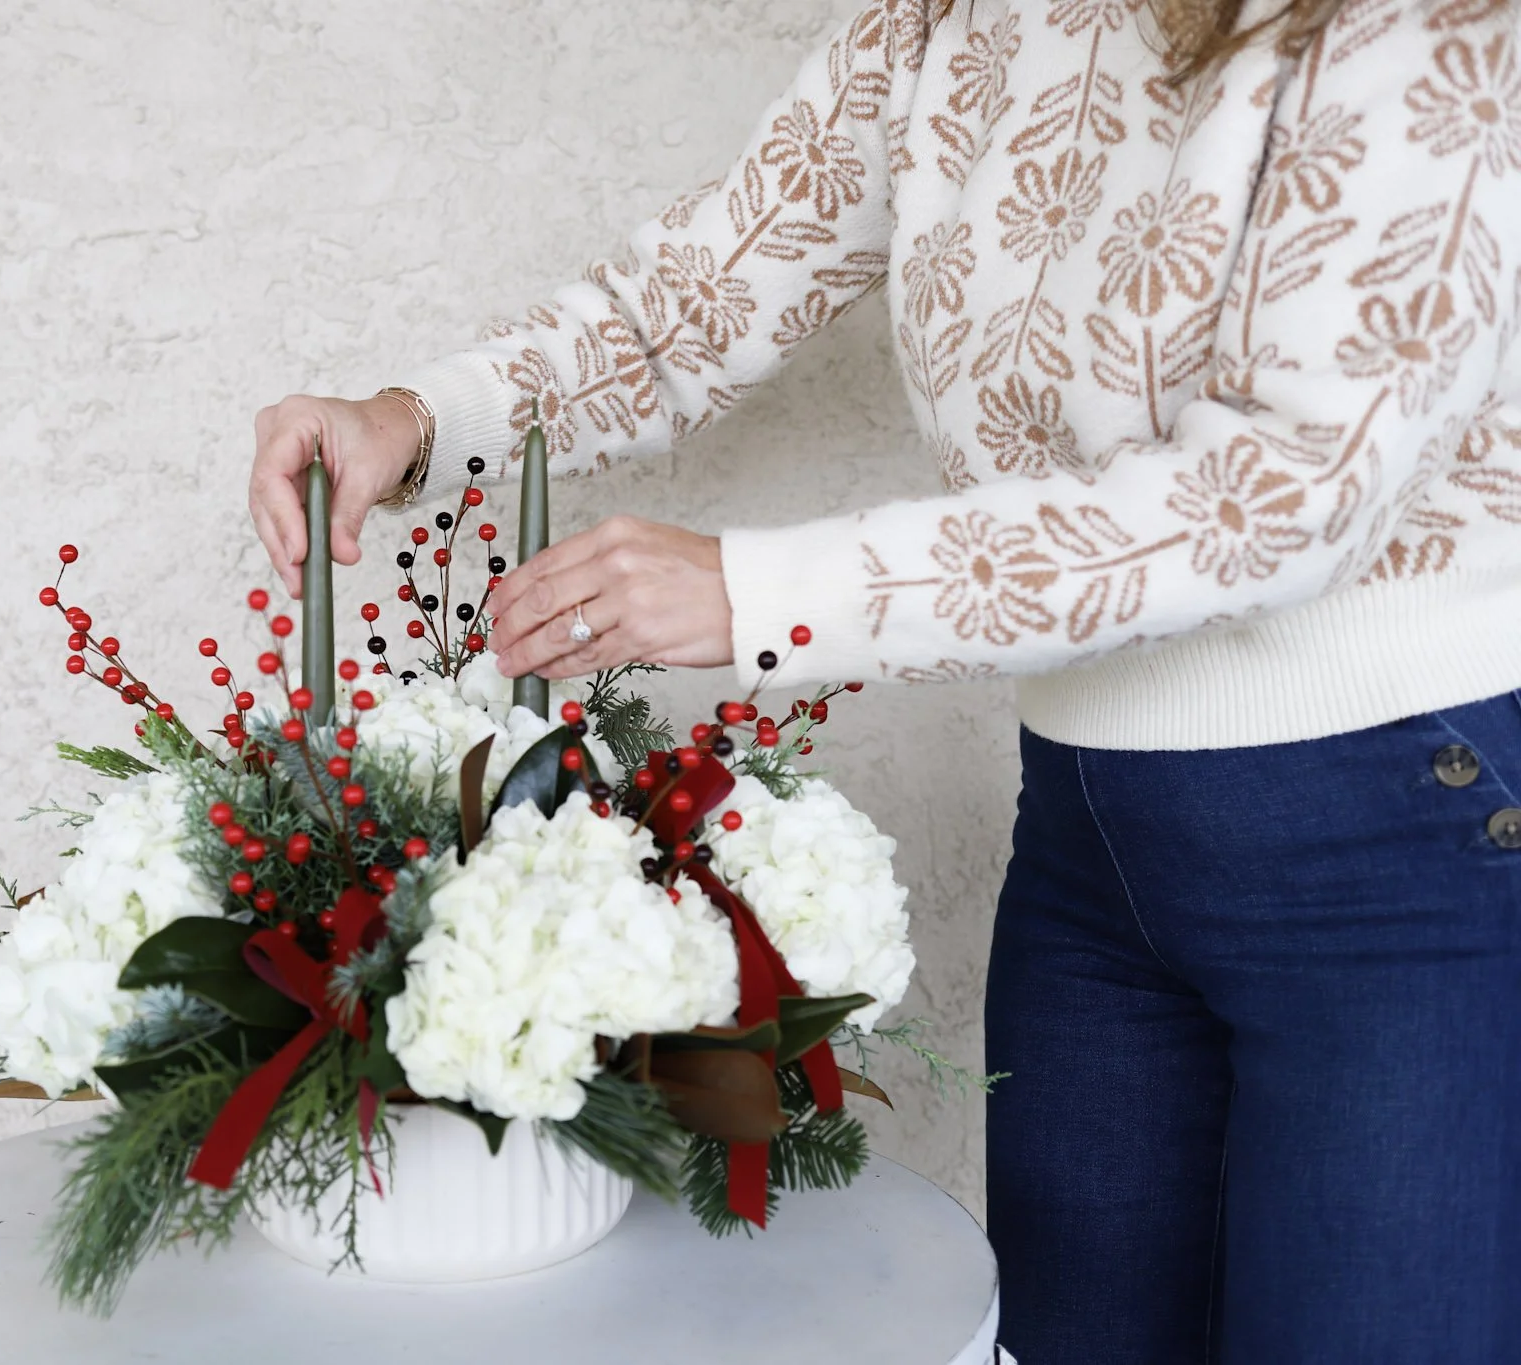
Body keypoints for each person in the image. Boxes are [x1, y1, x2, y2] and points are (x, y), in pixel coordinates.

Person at [246, 0, 1521, 1359]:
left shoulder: (1418, 27)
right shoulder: (945, 21)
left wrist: (755, 593)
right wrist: (418, 417)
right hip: (1100, 834)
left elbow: (1276, 499)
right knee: (1057, 1339)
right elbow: (697, 299)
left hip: (1395, 834)